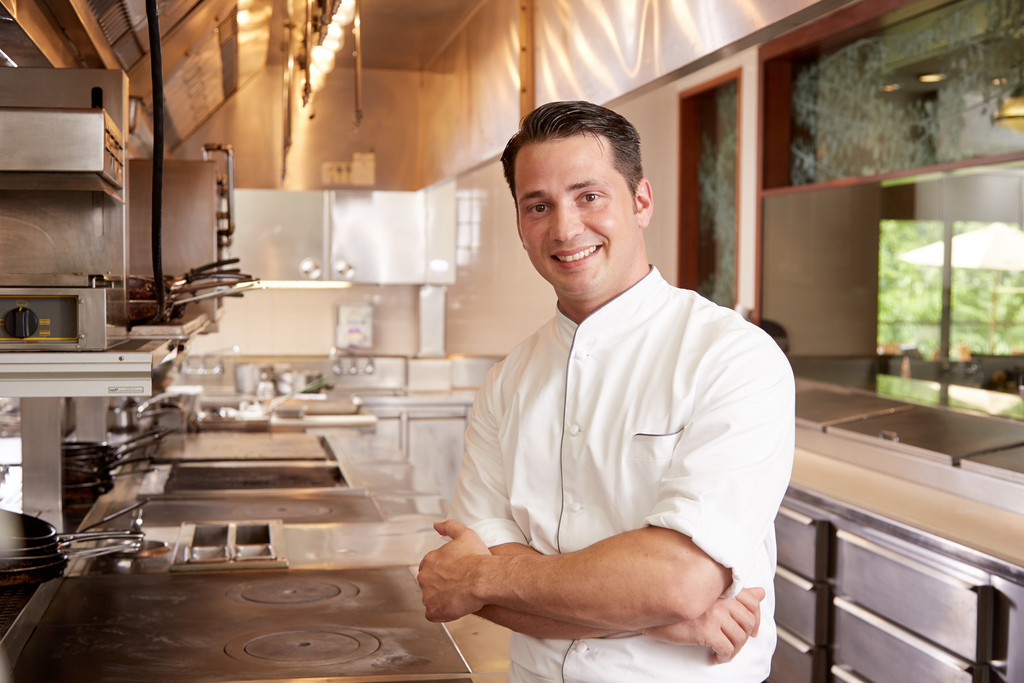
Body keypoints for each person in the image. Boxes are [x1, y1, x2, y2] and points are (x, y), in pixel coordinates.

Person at [417, 100, 795, 682]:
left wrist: (481, 578)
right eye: (538, 206)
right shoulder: (507, 381)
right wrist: (654, 618)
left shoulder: (732, 357)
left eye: (589, 196)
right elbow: (474, 577)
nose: (565, 229)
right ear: (520, 225)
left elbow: (677, 581)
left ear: (641, 202)